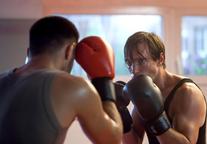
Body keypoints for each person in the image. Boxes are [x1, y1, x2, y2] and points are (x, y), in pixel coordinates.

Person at [0, 16, 122, 144]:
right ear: (69, 51)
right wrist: (103, 80)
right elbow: (112, 139)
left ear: (28, 52)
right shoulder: (75, 87)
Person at [121, 31, 207, 144]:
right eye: (130, 63)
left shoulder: (188, 93)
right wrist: (121, 113)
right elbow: (134, 141)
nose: (134, 70)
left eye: (141, 61)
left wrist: (155, 119)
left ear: (161, 59)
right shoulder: (143, 92)